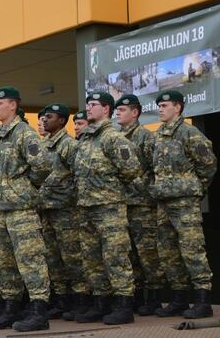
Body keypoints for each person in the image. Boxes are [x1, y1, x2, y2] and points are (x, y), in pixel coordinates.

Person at [0, 86, 52, 332]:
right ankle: (11, 308)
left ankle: (39, 311)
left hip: (21, 209)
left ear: (13, 105)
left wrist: (23, 187)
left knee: (30, 260)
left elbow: (42, 166)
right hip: (1, 209)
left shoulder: (24, 133)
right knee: (5, 263)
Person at [73, 91, 142, 325]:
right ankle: (101, 303)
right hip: (86, 207)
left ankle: (123, 305)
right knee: (92, 258)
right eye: (88, 104)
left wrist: (109, 189)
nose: (88, 108)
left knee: (115, 256)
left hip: (109, 208)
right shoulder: (85, 139)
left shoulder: (113, 138)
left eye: (93, 105)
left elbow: (132, 170)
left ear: (106, 109)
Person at [151, 90, 216, 319]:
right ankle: (178, 299)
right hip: (164, 203)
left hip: (185, 203)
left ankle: (202, 300)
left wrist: (193, 189)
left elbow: (207, 165)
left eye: (165, 105)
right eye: (159, 105)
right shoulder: (158, 135)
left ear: (177, 107)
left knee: (192, 249)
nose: (160, 108)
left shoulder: (190, 133)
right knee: (168, 252)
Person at [114, 94, 165, 315]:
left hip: (143, 205)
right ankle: (135, 296)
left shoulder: (146, 137)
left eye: (123, 110)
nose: (118, 113)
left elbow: (156, 169)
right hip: (121, 204)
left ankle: (153, 297)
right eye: (117, 110)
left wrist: (148, 191)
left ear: (135, 113)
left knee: (148, 253)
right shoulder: (114, 137)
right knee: (129, 254)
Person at [39, 104, 89, 320]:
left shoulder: (69, 145)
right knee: (53, 258)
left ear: (61, 121)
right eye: (43, 117)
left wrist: (68, 197)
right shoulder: (44, 145)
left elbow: (80, 176)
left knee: (73, 258)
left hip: (67, 212)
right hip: (46, 210)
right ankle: (61, 300)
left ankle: (82, 301)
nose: (44, 120)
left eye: (49, 117)